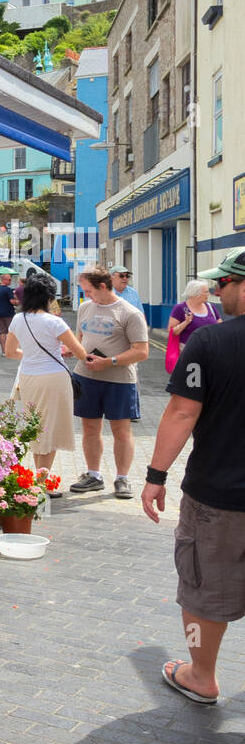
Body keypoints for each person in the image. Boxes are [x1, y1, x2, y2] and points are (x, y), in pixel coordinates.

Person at [141, 248, 245, 705]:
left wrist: (155, 475)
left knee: (203, 588)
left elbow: (182, 412)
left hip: (218, 498)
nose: (217, 292)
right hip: (220, 495)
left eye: (224, 284)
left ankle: (200, 676)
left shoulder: (211, 343)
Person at [67, 266, 149, 499]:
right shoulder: (85, 308)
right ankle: (94, 475)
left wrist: (109, 361)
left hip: (119, 380)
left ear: (103, 286)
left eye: (89, 291)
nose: (87, 296)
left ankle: (122, 478)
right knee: (89, 428)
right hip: (86, 376)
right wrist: (73, 351)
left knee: (121, 430)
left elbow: (141, 351)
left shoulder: (129, 313)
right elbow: (81, 339)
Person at [4, 274, 90, 472]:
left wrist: (31, 355)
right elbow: (80, 353)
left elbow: (10, 352)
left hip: (28, 378)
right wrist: (65, 350)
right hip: (54, 378)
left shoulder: (18, 319)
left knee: (36, 427)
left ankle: (39, 478)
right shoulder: (55, 322)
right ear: (48, 297)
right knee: (50, 428)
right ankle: (43, 481)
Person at [166, 279, 220, 373]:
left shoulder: (211, 307)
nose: (209, 294)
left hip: (210, 352)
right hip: (188, 352)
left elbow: (221, 326)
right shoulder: (180, 308)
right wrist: (186, 322)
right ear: (196, 294)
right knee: (192, 382)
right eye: (206, 292)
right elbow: (172, 331)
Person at [0, 273, 16, 353]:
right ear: (4, 280)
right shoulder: (8, 289)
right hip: (8, 313)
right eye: (9, 279)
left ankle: (4, 351)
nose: (10, 281)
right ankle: (10, 350)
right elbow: (12, 302)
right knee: (11, 332)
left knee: (2, 333)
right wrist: (19, 302)